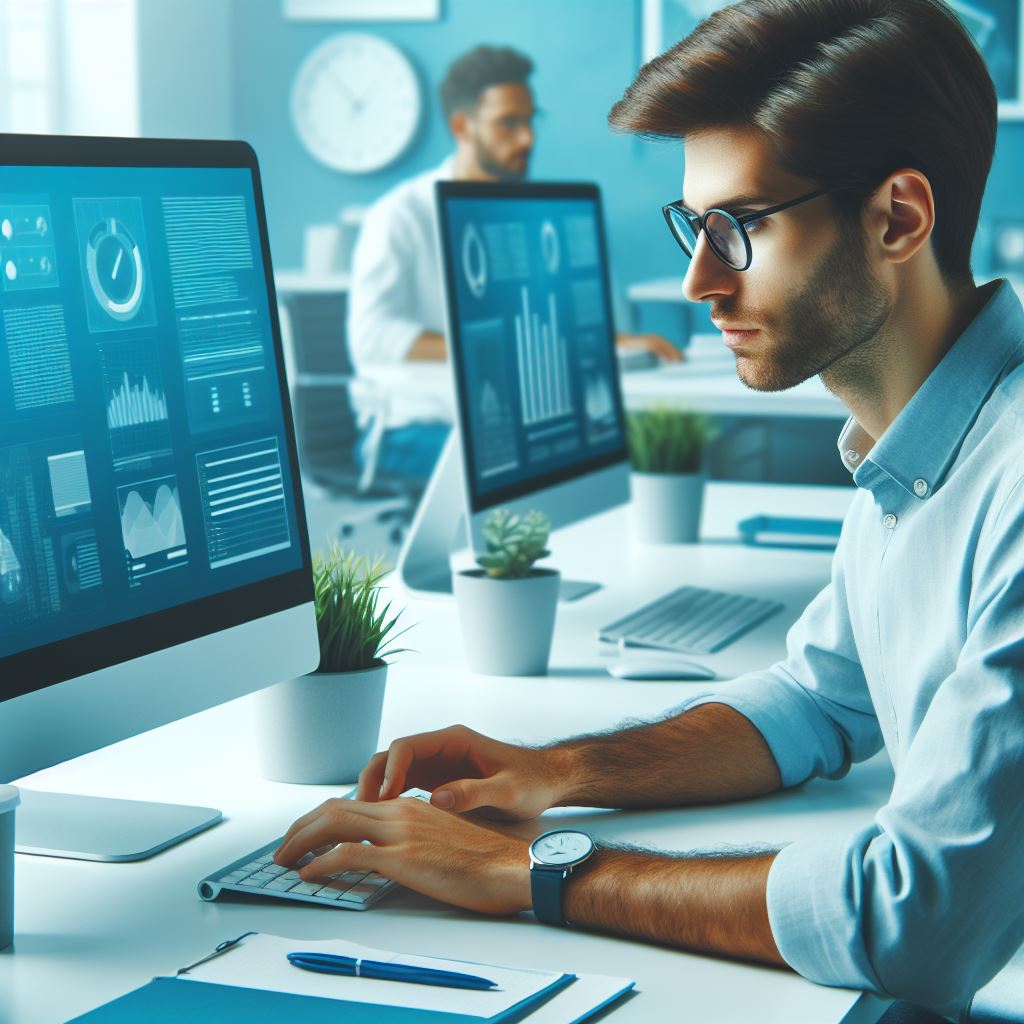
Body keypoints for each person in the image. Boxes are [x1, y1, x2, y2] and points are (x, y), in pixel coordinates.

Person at [278, 0, 1023, 1017]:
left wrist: (540, 872)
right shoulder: (916, 446)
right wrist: (553, 770)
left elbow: (914, 915)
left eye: (739, 228)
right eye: (694, 224)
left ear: (897, 217)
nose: (697, 279)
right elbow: (817, 699)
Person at [347, 44, 681, 481]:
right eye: (509, 123)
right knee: (558, 469)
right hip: (415, 429)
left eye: (530, 120)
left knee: (640, 457)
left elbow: (550, 325)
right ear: (462, 126)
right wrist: (500, 347)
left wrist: (610, 340)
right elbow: (371, 337)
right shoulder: (400, 214)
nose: (528, 138)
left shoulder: (531, 218)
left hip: (518, 418)